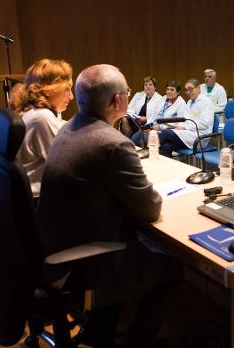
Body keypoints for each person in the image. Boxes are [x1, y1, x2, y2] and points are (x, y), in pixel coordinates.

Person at [38, 64, 182, 347]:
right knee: (172, 269)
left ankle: (98, 332)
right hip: (85, 260)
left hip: (57, 246)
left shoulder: (68, 128)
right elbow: (150, 209)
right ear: (118, 101)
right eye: (127, 92)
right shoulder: (113, 144)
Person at [9, 59, 74, 195]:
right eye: (67, 89)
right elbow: (69, 164)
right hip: (38, 201)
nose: (72, 96)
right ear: (49, 90)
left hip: (19, 196)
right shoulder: (41, 118)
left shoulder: (28, 109)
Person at [155, 79, 214, 156]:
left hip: (200, 136)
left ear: (198, 88)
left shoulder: (206, 102)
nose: (188, 92)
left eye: (190, 89)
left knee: (166, 133)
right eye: (186, 90)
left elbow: (204, 124)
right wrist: (179, 126)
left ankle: (149, 151)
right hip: (187, 133)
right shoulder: (190, 102)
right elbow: (184, 119)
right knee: (166, 146)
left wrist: (185, 127)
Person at [131, 81, 188, 148]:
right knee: (134, 140)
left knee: (144, 142)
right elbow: (154, 113)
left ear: (178, 92)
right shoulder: (163, 98)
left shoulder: (181, 104)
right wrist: (149, 125)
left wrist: (161, 127)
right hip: (153, 125)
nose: (169, 91)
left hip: (165, 130)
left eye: (172, 90)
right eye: (167, 89)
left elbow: (178, 122)